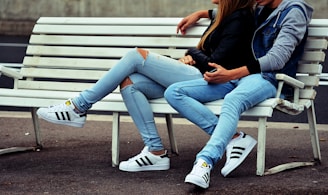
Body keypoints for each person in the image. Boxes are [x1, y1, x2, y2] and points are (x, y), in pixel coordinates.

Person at [36, 0, 256, 172]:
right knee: (130, 83)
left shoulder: (240, 19)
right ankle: (156, 152)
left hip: (206, 80)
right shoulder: (228, 15)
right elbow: (220, 15)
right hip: (194, 76)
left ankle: (78, 106)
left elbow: (214, 62)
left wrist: (191, 54)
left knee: (136, 56)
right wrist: (200, 14)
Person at [164, 0, 313, 189]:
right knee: (175, 92)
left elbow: (277, 58)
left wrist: (230, 74)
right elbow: (231, 11)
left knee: (233, 100)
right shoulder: (259, 7)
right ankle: (234, 138)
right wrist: (202, 14)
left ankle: (204, 162)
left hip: (269, 79)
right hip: (240, 75)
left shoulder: (294, 12)